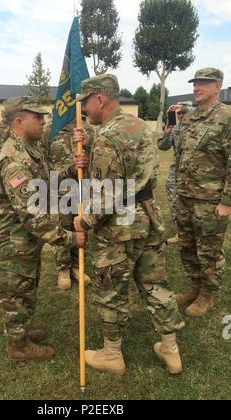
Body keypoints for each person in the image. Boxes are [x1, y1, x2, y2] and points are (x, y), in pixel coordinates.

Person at [73, 74, 185, 376]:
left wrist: (82, 220)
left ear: (99, 99)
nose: (83, 109)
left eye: (85, 102)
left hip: (120, 224)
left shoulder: (108, 137)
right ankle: (171, 350)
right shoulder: (138, 127)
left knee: (111, 289)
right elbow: (136, 171)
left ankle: (112, 355)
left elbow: (107, 196)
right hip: (148, 215)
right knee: (155, 283)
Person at [0, 96, 86, 362]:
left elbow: (47, 183)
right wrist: (69, 238)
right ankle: (18, 347)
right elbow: (32, 216)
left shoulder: (30, 150)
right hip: (14, 246)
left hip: (26, 243)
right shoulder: (14, 163)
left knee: (26, 291)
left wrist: (71, 168)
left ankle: (22, 333)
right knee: (15, 295)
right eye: (38, 117)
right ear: (20, 121)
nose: (44, 122)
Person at [170, 68, 231, 318]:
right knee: (187, 247)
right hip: (185, 196)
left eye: (203, 84)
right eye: (195, 83)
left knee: (208, 250)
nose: (196, 87)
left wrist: (227, 201)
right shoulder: (191, 118)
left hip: (210, 200)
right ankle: (194, 286)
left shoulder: (226, 117)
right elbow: (182, 155)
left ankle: (207, 294)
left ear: (217, 87)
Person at [49, 119, 92, 290]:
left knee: (80, 227)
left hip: (82, 187)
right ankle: (63, 269)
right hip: (59, 188)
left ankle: (77, 265)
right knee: (62, 228)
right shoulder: (51, 130)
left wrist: (87, 144)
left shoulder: (88, 129)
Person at [157, 104, 193, 245]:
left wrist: (182, 106)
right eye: (178, 114)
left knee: (191, 202)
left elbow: (192, 110)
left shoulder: (197, 127)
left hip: (194, 171)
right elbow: (163, 146)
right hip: (176, 171)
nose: (181, 116)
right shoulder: (175, 129)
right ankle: (181, 232)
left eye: (183, 113)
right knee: (174, 201)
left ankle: (194, 232)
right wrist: (166, 133)